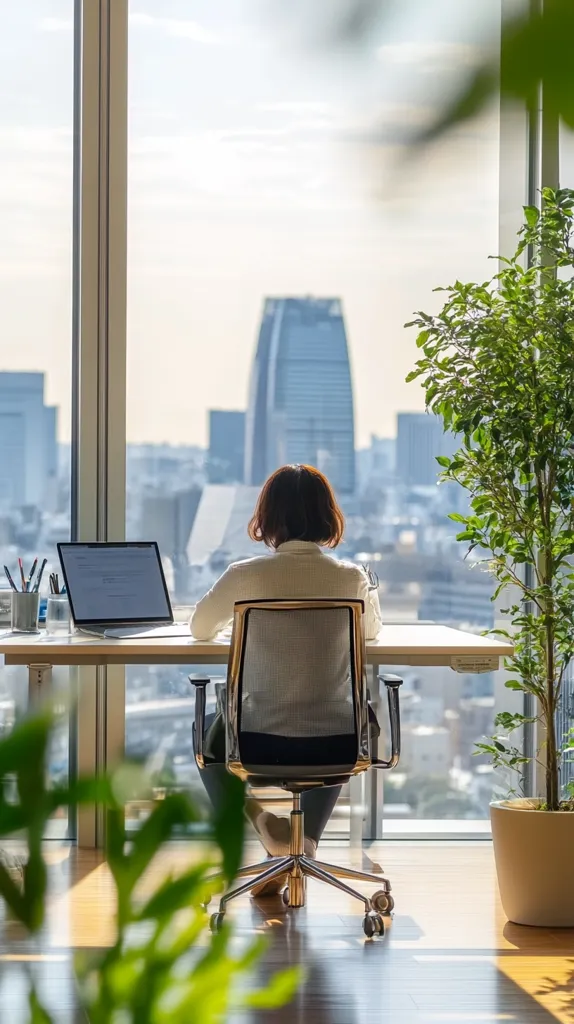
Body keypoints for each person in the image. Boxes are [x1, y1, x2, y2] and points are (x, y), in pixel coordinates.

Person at [190, 464, 382, 894]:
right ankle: (303, 843)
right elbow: (370, 632)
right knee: (348, 719)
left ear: (268, 518)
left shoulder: (245, 575)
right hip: (336, 739)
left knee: (207, 739)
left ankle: (270, 831)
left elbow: (200, 628)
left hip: (255, 738)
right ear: (328, 518)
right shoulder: (350, 578)